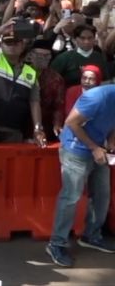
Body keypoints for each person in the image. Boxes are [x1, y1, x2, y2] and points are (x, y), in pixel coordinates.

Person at [46, 84, 115, 268]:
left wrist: (111, 145)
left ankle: (91, 235)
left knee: (102, 194)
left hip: (99, 149)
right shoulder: (97, 97)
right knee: (71, 196)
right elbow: (71, 122)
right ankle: (56, 243)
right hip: (75, 150)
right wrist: (93, 148)